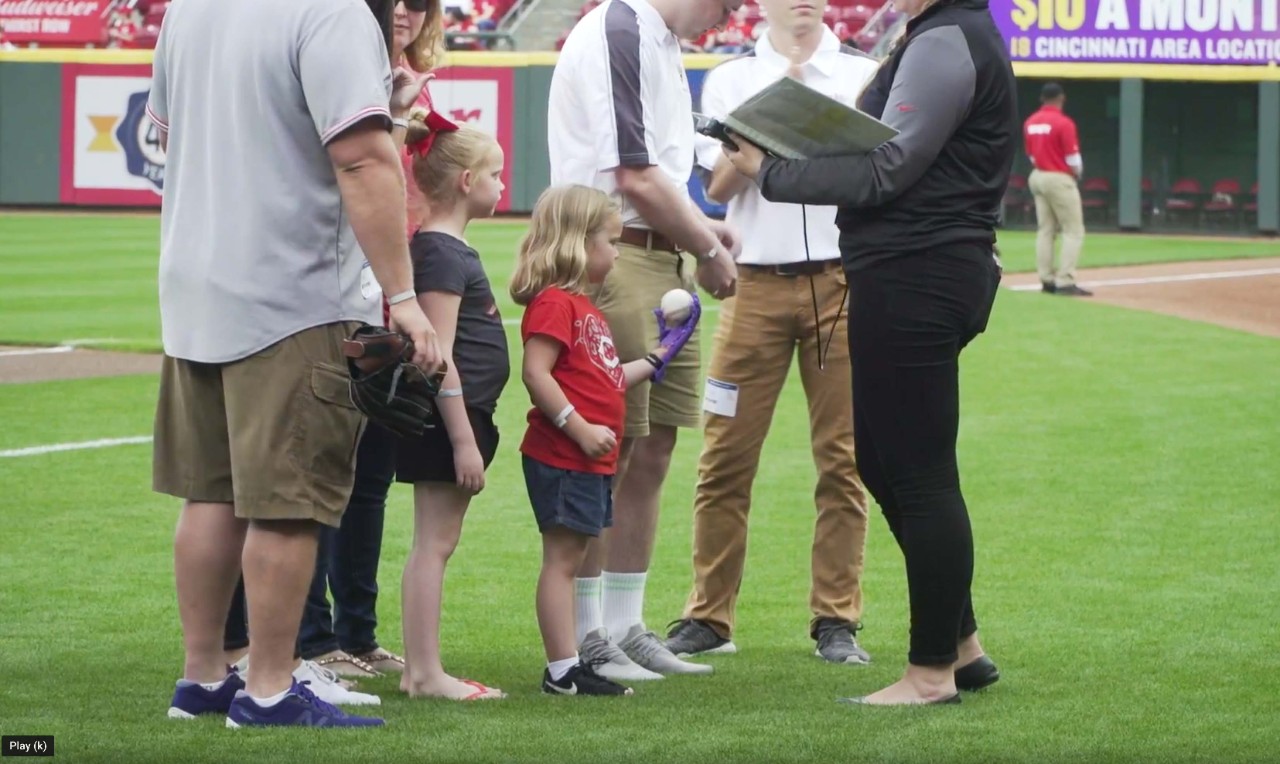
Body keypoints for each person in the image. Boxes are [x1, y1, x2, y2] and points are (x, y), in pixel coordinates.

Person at [152, 0, 441, 728]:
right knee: (288, 501)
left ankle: (204, 678)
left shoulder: (191, 8)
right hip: (292, 290)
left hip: (195, 284)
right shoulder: (332, 11)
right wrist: (402, 296)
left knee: (209, 493)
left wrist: (386, 105)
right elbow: (360, 157)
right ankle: (271, 689)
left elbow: (166, 129)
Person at [723, 0, 1012, 706]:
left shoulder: (949, 37)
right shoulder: (934, 34)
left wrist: (774, 172)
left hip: (921, 274)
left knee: (919, 473)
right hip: (907, 271)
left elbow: (889, 168)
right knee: (882, 462)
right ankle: (961, 644)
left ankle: (931, 670)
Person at [663, 0, 879, 666]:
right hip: (752, 284)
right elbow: (719, 190)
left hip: (841, 282)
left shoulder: (863, 76)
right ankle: (709, 615)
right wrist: (750, 145)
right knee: (726, 455)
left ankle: (836, 619)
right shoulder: (731, 79)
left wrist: (775, 157)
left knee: (843, 460)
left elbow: (874, 177)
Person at [548, 0, 744, 679]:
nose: (732, 15)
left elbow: (657, 170)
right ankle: (586, 634)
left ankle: (626, 625)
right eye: (730, 2)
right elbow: (631, 172)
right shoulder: (622, 27)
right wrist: (709, 249)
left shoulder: (658, 39)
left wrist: (699, 234)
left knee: (653, 448)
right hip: (617, 255)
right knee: (614, 449)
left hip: (660, 258)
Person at [511, 185, 701, 696]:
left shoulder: (583, 308)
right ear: (578, 243)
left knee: (571, 557)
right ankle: (562, 670)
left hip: (587, 458)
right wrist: (578, 426)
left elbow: (610, 376)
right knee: (563, 561)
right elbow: (535, 372)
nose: (617, 254)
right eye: (610, 243)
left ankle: (571, 663)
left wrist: (662, 353)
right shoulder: (555, 304)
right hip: (564, 455)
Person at [396, 115, 510, 701]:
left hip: (460, 418)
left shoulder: (448, 248)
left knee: (435, 543)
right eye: (496, 174)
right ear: (467, 180)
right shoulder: (441, 253)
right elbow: (436, 354)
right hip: (449, 424)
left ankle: (419, 667)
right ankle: (424, 673)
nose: (503, 185)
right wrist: (464, 439)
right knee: (434, 545)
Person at [1024, 83, 1091, 296]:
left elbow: (1032, 155)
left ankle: (1046, 279)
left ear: (1042, 99)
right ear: (1061, 98)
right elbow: (1073, 159)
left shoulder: (1030, 122)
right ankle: (1065, 281)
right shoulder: (1064, 123)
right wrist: (1077, 174)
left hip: (1037, 176)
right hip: (1058, 177)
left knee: (1046, 230)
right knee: (1073, 230)